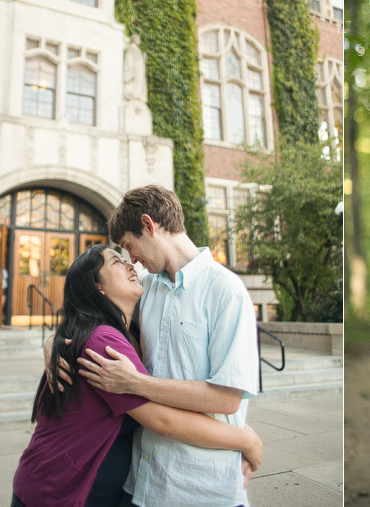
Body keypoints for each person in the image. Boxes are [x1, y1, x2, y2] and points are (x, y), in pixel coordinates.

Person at [13, 245, 262, 507]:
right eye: (117, 262)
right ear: (97, 286)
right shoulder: (103, 342)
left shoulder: (121, 333)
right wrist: (246, 439)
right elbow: (163, 421)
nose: (131, 264)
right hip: (55, 491)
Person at [59, 185, 259, 507]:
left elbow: (226, 398)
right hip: (140, 484)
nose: (132, 259)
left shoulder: (225, 291)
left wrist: (136, 383)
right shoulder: (146, 288)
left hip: (203, 488)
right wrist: (54, 345)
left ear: (149, 227)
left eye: (129, 246)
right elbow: (91, 316)